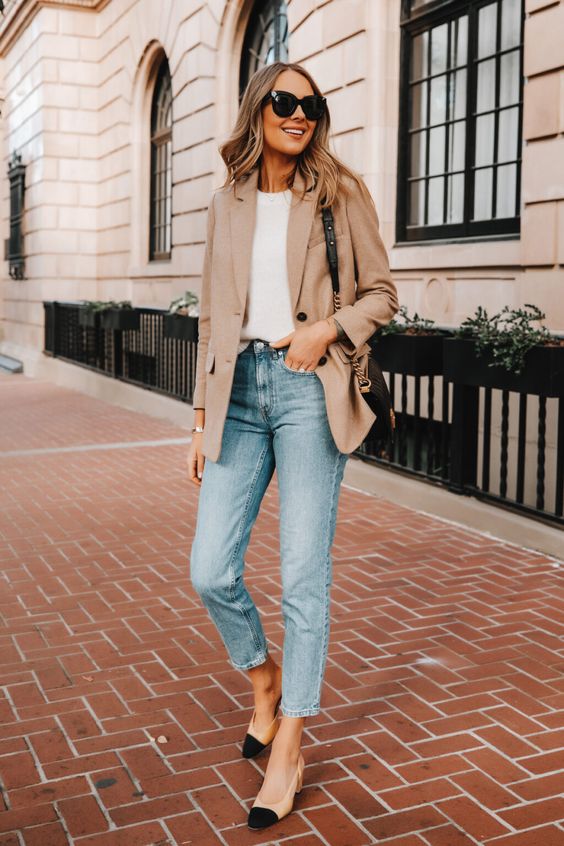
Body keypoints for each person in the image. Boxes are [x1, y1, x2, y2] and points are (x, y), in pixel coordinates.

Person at [188, 60, 399, 830]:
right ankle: (263, 676)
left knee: (303, 574)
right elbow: (212, 319)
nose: (298, 113)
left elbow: (381, 292)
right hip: (237, 395)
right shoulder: (224, 203)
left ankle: (292, 746)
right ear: (259, 110)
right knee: (210, 568)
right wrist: (200, 421)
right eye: (284, 101)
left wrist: (323, 330)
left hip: (309, 394)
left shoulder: (339, 192)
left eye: (311, 104)